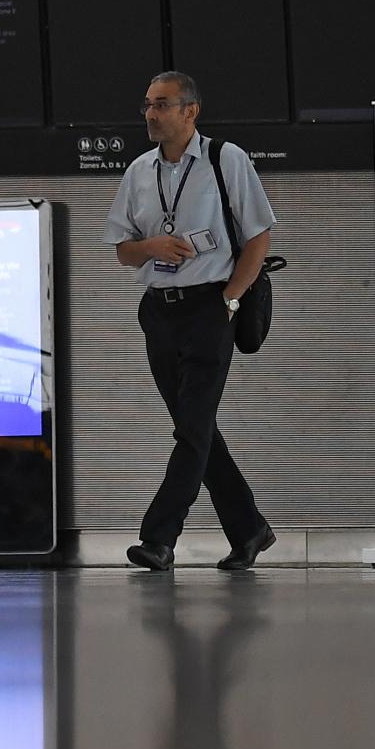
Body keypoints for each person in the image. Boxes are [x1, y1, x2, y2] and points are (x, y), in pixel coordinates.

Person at [105, 70, 279, 572]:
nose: (151, 115)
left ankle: (159, 539)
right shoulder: (139, 171)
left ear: (190, 111)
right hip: (160, 312)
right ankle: (249, 529)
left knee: (192, 430)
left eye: (161, 105)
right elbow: (122, 250)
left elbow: (258, 237)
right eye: (147, 105)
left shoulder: (227, 160)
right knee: (194, 428)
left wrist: (230, 299)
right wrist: (151, 247)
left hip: (211, 307)